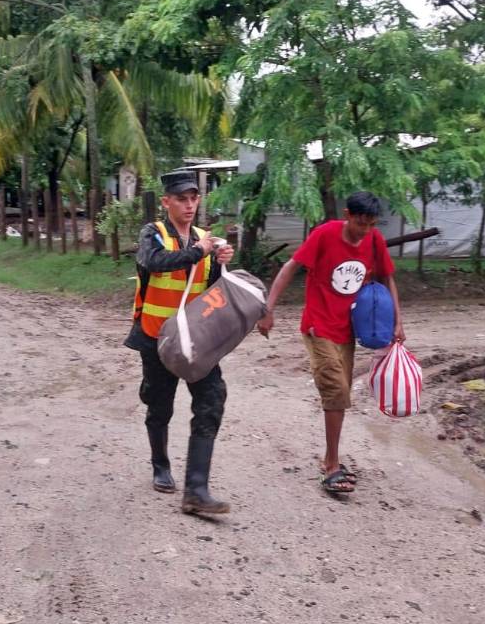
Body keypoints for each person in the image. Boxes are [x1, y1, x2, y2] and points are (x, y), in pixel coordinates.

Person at [257, 192, 405, 494]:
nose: (364, 230)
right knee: (336, 390)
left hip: (348, 329)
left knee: (342, 393)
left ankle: (329, 458)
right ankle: (332, 466)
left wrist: (398, 322)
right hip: (318, 324)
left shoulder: (374, 240)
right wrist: (267, 309)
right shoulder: (324, 234)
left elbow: (388, 278)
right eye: (360, 222)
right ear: (348, 214)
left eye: (371, 224)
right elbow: (290, 268)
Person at [125, 170, 235, 514]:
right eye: (181, 199)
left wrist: (218, 263)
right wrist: (199, 252)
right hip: (157, 337)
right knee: (160, 406)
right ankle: (160, 465)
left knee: (212, 399)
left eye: (193, 198)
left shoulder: (205, 238)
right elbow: (152, 262)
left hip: (195, 339)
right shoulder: (153, 234)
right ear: (166, 202)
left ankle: (197, 489)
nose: (189, 205)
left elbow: (210, 290)